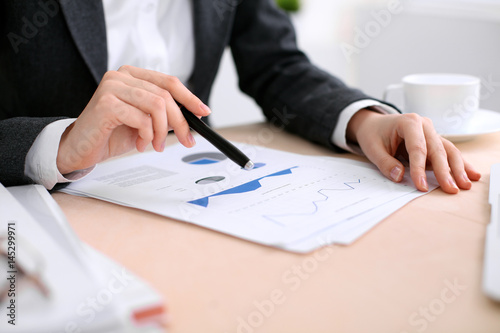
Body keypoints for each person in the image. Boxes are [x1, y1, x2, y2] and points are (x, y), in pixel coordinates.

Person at [0, 0, 480, 194]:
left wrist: (363, 121)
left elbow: (276, 64)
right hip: (39, 220)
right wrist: (57, 145)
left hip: (176, 200)